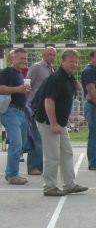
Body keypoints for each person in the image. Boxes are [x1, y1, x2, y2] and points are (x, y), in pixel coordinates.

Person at [34, 49, 88, 197]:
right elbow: (48, 101)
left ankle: (69, 184)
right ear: (62, 61)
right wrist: (53, 123)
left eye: (76, 61)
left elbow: (66, 100)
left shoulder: (69, 78)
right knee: (52, 155)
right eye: (71, 61)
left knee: (67, 152)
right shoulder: (56, 78)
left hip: (61, 122)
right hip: (48, 121)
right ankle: (49, 186)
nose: (74, 64)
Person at [0, 48, 31, 185]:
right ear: (12, 58)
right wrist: (18, 89)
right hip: (11, 112)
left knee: (21, 144)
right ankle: (12, 175)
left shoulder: (19, 74)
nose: (24, 61)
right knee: (16, 143)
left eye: (25, 58)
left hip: (21, 112)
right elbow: (1, 88)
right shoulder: (7, 72)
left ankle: (12, 173)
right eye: (21, 58)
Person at [24, 46, 56, 176]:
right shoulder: (37, 67)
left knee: (43, 138)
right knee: (36, 137)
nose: (51, 57)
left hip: (45, 107)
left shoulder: (52, 69)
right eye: (49, 54)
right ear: (44, 54)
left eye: (53, 55)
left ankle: (40, 166)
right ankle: (33, 167)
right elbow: (27, 82)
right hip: (33, 105)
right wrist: (26, 103)